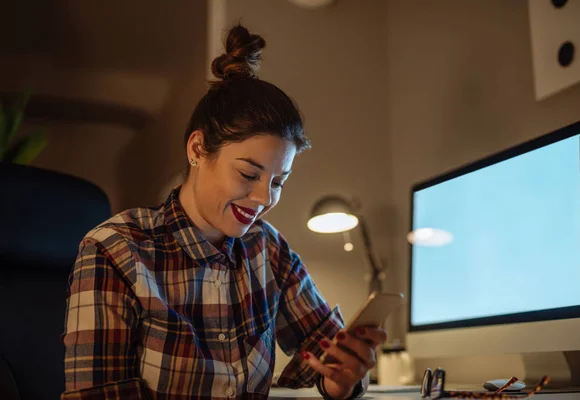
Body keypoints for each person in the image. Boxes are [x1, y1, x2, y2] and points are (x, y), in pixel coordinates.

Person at [61, 23, 387, 400]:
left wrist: (341, 378)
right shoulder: (114, 249)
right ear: (197, 149)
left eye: (279, 181)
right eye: (249, 173)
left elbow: (323, 347)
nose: (264, 198)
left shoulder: (267, 249)